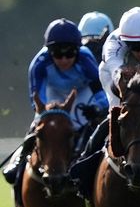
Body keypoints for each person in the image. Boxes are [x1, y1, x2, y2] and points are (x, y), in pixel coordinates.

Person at [69, 7, 140, 199]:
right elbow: (115, 72)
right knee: (119, 113)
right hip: (115, 76)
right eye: (135, 47)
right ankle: (86, 169)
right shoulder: (113, 44)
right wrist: (124, 81)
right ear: (125, 42)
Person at [3, 19, 108, 188]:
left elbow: (100, 93)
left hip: (80, 93)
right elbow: (36, 99)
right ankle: (21, 158)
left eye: (70, 54)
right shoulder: (39, 63)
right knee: (42, 125)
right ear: (49, 52)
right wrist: (46, 114)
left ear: (78, 50)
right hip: (52, 94)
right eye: (58, 54)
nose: (64, 59)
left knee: (87, 125)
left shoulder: (86, 59)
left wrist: (97, 108)